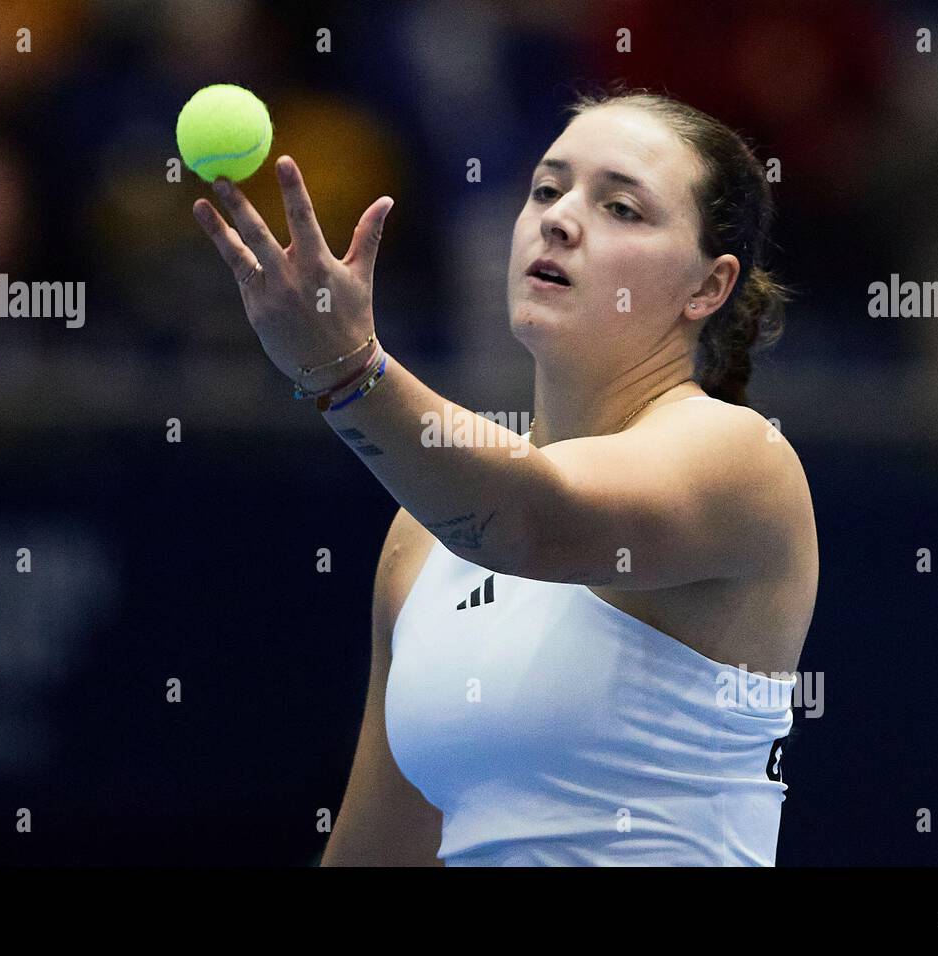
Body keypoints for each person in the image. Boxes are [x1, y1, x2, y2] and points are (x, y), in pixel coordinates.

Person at [192, 86, 818, 866]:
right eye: (548, 190)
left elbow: (528, 523)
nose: (558, 217)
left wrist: (347, 371)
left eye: (622, 207)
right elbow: (377, 851)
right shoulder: (423, 533)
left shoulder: (742, 459)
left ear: (708, 286)